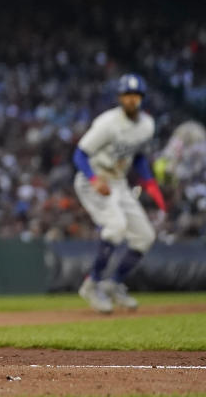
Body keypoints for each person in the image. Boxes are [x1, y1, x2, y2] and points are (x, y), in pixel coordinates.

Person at [72, 73, 167, 313]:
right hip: (93, 177)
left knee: (145, 236)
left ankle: (114, 284)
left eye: (135, 95)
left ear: (142, 98)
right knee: (115, 228)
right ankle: (92, 285)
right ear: (120, 98)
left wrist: (150, 183)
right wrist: (94, 180)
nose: (132, 100)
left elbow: (139, 157)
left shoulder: (147, 125)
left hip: (119, 181)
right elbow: (80, 154)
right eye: (127, 95)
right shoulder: (107, 123)